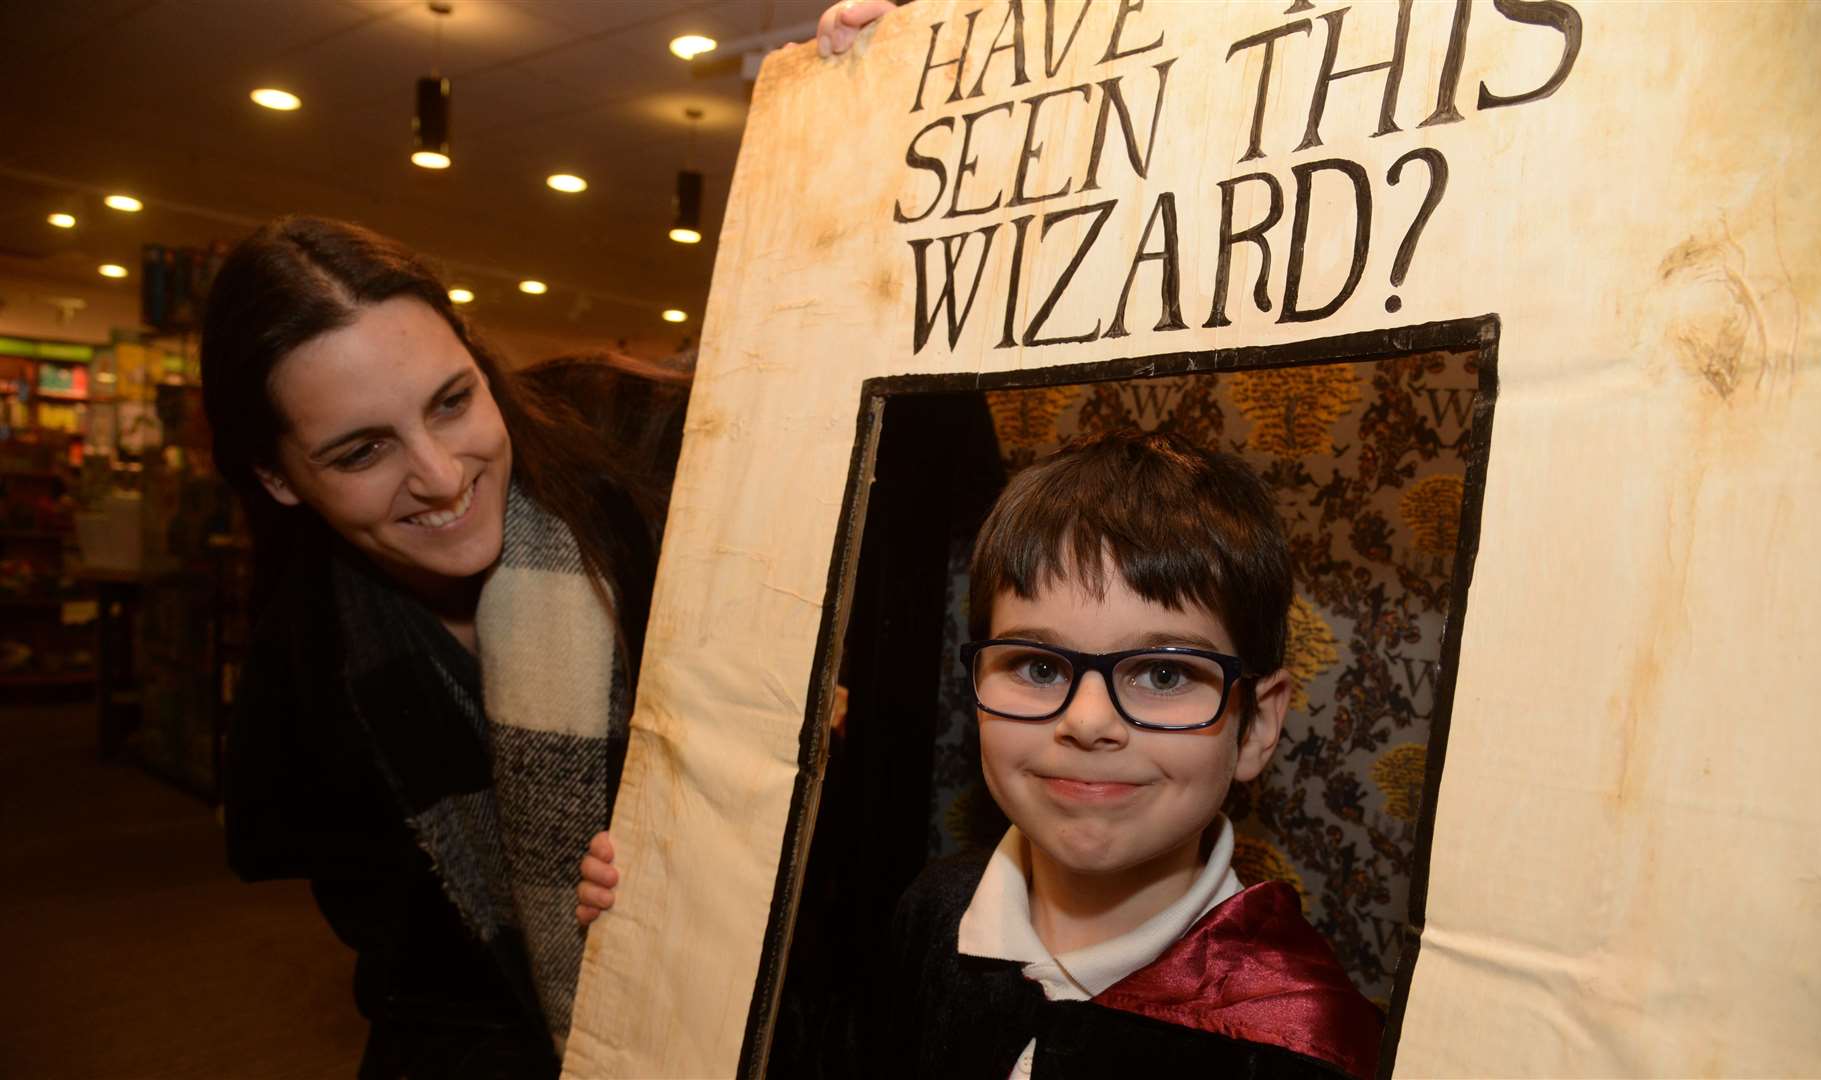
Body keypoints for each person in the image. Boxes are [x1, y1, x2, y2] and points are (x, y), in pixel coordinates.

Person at [581, 430, 1382, 1076]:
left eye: (1164, 672)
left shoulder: (1298, 1037)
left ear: (1257, 726)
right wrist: (666, 931)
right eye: (1039, 667)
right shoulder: (938, 908)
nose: (1089, 720)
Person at [203, 216, 659, 1078]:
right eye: (362, 450)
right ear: (276, 478)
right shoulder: (305, 670)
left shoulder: (630, 511)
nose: (442, 476)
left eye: (452, 402)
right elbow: (407, 973)